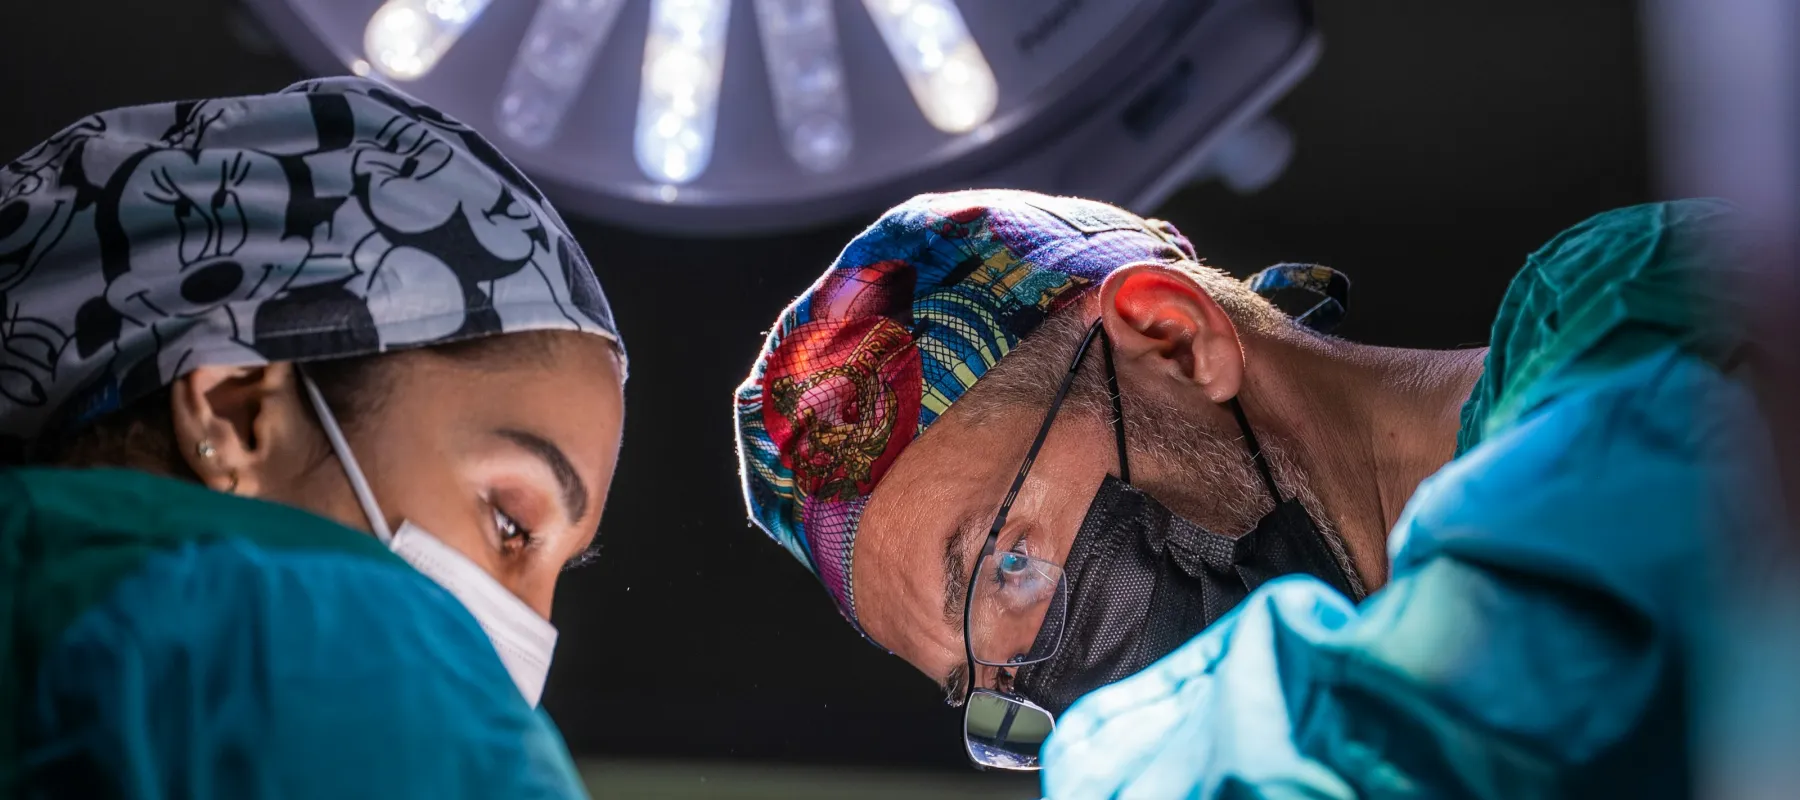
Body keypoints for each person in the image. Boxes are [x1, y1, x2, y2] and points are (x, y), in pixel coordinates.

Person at [732, 189, 1780, 796]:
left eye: (1005, 563)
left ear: (1171, 340)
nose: (1049, 690)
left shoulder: (1623, 309)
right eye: (996, 690)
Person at [1, 78, 625, 798]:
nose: (530, 630)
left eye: (555, 575)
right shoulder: (309, 656)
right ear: (237, 413)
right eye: (509, 522)